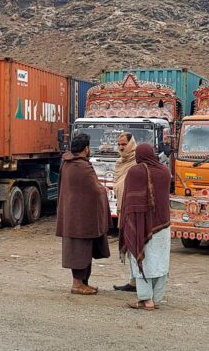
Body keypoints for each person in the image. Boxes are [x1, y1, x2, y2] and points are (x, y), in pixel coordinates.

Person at [56, 133, 111, 295]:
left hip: (73, 215)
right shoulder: (82, 166)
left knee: (83, 250)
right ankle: (78, 284)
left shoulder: (67, 163)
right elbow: (95, 189)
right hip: (81, 218)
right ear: (86, 149)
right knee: (80, 251)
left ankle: (83, 283)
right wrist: (104, 190)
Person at [119, 143, 172, 311]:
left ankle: (145, 299)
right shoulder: (165, 171)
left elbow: (129, 200)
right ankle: (156, 298)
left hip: (141, 226)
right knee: (160, 262)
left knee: (141, 259)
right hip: (163, 226)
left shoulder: (135, 172)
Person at [113, 132, 138, 292]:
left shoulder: (138, 162)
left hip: (134, 211)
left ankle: (138, 282)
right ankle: (133, 281)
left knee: (136, 245)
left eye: (124, 144)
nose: (121, 147)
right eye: (119, 144)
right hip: (123, 209)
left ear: (131, 144)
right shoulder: (120, 163)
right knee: (129, 246)